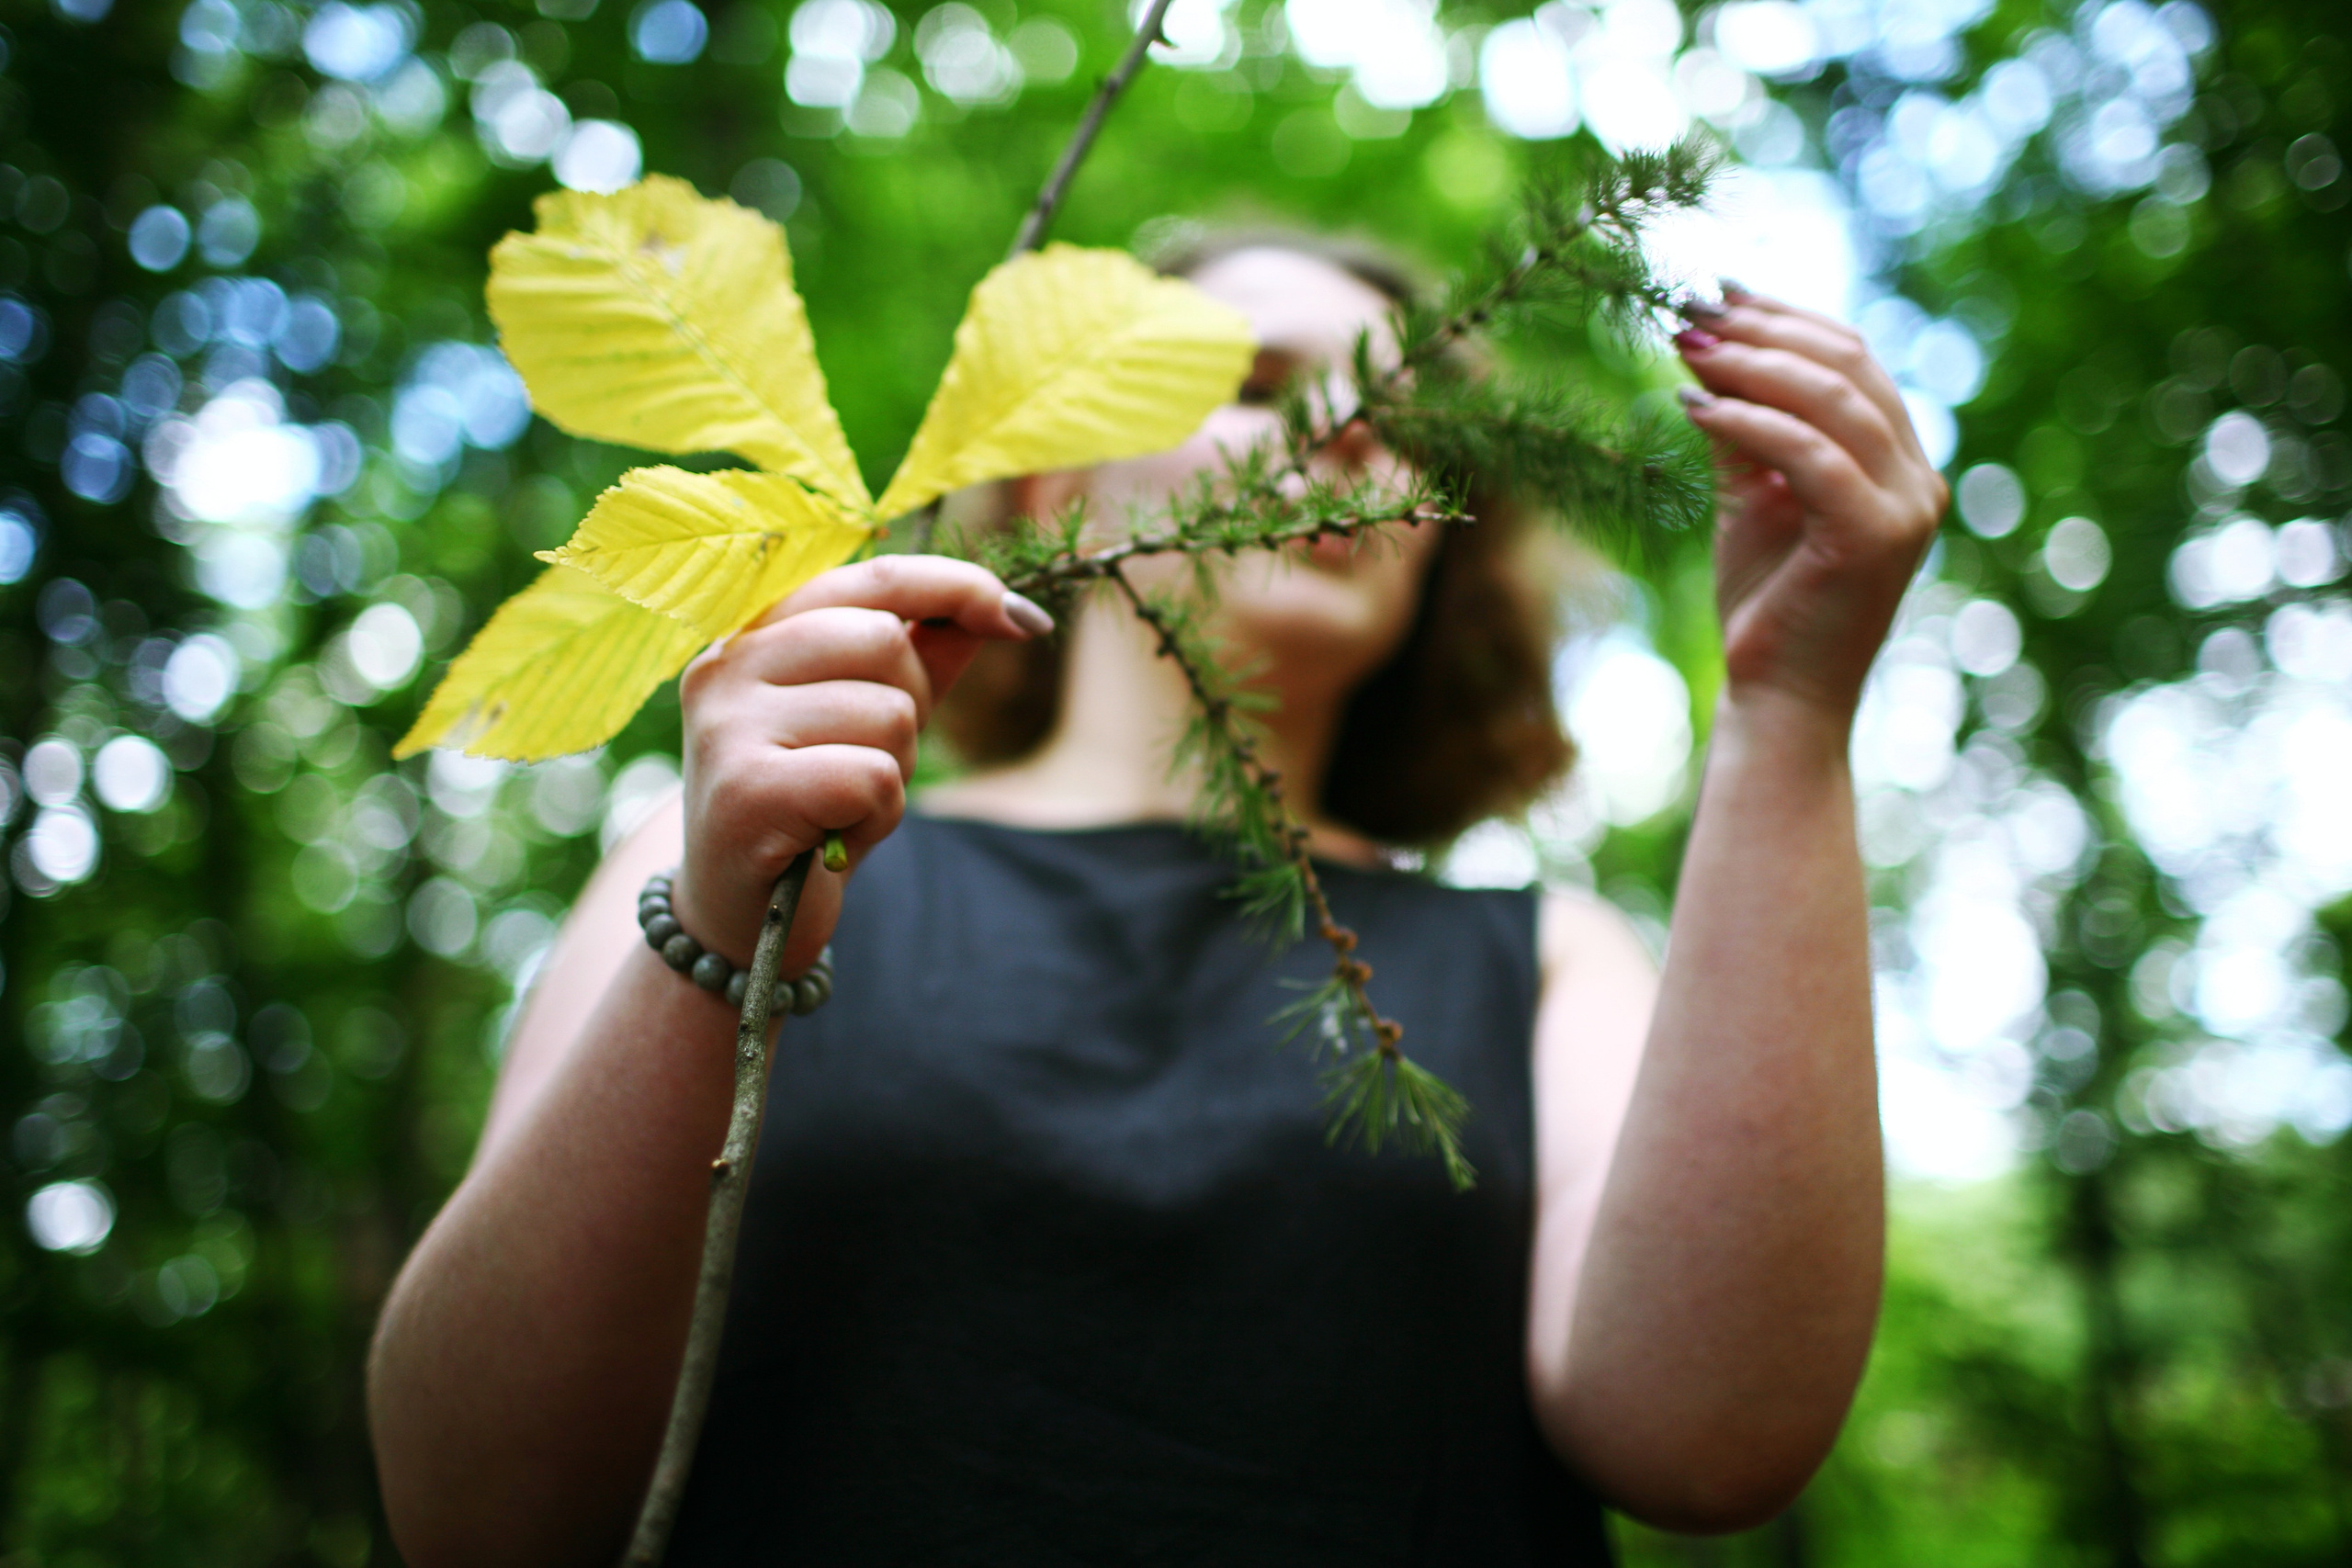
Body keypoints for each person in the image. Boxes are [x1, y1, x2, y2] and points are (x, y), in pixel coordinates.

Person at [367, 238, 1947, 1565]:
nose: (1344, 435)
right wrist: (713, 926)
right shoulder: (738, 850)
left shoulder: (1547, 963)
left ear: (1431, 552)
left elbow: (1706, 1438)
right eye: (1255, 382)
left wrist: (1789, 711)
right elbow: (476, 1512)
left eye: (1403, 426)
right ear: (1062, 466)